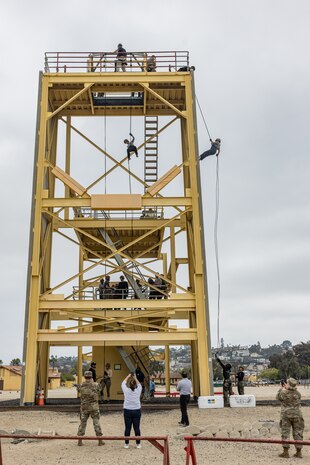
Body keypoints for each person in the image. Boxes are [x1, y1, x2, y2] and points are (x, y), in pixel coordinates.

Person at [276, 378, 304, 459]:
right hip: (297, 415)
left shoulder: (283, 393)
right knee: (298, 433)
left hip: (286, 415)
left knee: (285, 432)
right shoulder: (298, 393)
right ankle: (299, 452)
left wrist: (281, 388)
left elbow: (278, 397)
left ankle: (286, 452)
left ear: (289, 384)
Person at [76, 371, 104, 446]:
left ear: (84, 377)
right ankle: (100, 440)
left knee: (82, 423)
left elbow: (79, 390)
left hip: (84, 407)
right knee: (96, 422)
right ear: (91, 376)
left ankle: (80, 440)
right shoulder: (96, 385)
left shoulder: (81, 385)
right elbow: (99, 390)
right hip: (94, 407)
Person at [121, 373, 142, 449]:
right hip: (136, 410)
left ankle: (126, 443)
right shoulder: (138, 390)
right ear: (135, 385)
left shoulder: (126, 390)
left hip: (127, 410)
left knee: (127, 428)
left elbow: (123, 383)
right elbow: (139, 384)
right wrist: (135, 377)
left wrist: (128, 376)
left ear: (129, 385)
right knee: (137, 428)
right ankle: (138, 443)